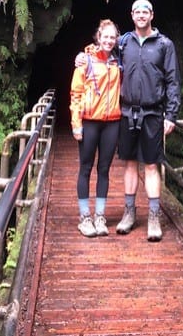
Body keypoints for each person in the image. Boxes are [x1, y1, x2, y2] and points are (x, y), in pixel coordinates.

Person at [76, 0, 181, 241]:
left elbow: (173, 81)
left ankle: (154, 218)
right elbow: (101, 49)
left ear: (152, 15)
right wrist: (81, 56)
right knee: (130, 163)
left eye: (145, 11)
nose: (141, 15)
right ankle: (129, 213)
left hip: (154, 112)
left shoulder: (164, 45)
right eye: (137, 11)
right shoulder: (123, 43)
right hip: (127, 113)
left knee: (152, 165)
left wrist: (172, 114)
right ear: (132, 15)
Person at [69, 19, 122, 237]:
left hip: (112, 122)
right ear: (98, 38)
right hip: (90, 121)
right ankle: (84, 218)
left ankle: (100, 217)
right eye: (105, 37)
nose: (109, 40)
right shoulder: (86, 61)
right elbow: (76, 94)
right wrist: (76, 124)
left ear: (116, 39)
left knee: (104, 170)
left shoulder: (118, 62)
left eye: (112, 37)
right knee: (86, 167)